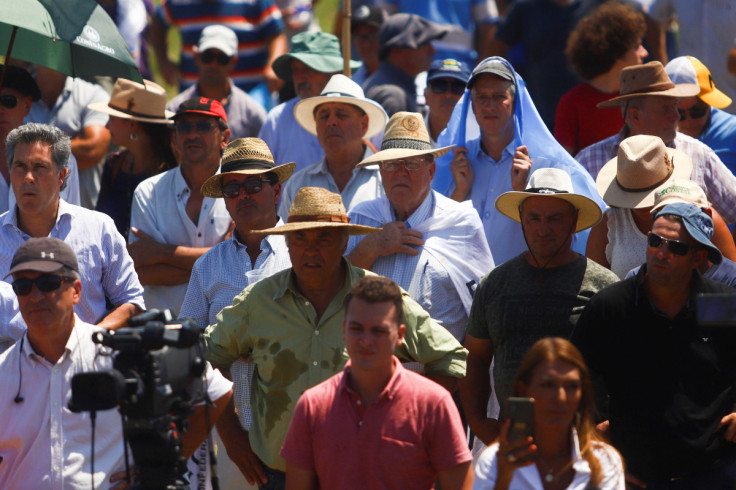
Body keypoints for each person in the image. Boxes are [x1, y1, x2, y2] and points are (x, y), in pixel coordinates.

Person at [204, 186, 467, 489]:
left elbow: (450, 357)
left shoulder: (376, 300)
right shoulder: (260, 301)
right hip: (277, 475)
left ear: (344, 242)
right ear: (287, 243)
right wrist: (230, 433)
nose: (311, 249)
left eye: (324, 237)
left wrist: (406, 419)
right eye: (300, 237)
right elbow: (208, 357)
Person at [0, 237, 233, 489]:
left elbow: (216, 390)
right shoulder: (3, 371)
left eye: (48, 283)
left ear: (76, 290)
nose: (35, 296)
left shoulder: (119, 352)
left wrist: (155, 469)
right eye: (23, 286)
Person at [573, 202, 736, 488]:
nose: (662, 253)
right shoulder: (613, 306)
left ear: (698, 258)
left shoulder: (716, 305)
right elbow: (573, 376)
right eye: (655, 240)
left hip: (713, 473)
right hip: (631, 475)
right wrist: (591, 434)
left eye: (677, 248)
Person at [460, 167, 619, 446]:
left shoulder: (603, 285)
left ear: (574, 222)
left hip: (584, 441)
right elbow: (474, 357)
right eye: (534, 218)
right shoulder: (495, 283)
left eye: (554, 219)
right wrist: (478, 422)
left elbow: (630, 361)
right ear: (522, 220)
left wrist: (612, 424)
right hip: (514, 439)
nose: (542, 229)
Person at [281, 275, 474, 489]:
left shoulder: (434, 404)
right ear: (344, 330)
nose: (366, 340)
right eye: (356, 328)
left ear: (400, 334)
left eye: (379, 331)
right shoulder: (312, 406)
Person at [181, 137, 294, 488]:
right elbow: (189, 354)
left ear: (276, 192)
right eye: (232, 189)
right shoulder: (207, 267)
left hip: (298, 430)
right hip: (230, 430)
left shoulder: (302, 255)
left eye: (253, 185)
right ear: (225, 202)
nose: (243, 195)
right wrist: (229, 435)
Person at [432, 57, 604, 265]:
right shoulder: (454, 162)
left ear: (515, 104)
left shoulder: (548, 165)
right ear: (472, 104)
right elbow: (434, 233)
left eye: (498, 97)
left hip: (526, 291)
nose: (489, 105)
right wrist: (459, 192)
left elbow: (579, 234)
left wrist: (526, 192)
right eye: (482, 97)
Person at [347, 111, 493, 345]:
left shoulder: (461, 222)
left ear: (431, 171)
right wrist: (372, 246)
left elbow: (484, 309)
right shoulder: (361, 219)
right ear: (381, 171)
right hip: (369, 372)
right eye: (392, 163)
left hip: (440, 376)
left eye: (412, 164)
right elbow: (334, 288)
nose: (401, 172)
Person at [0, 123, 143, 332]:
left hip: (88, 361)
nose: (28, 177)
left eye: (39, 167)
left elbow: (132, 302)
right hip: (10, 361)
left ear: (61, 176)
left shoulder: (98, 228)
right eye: (20, 167)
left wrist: (92, 339)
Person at [575, 61, 736, 224]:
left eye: (675, 106)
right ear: (635, 116)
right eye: (666, 109)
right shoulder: (588, 162)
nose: (676, 116)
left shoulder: (699, 155)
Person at [473, 337, 625, 490]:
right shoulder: (493, 462)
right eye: (548, 385)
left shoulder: (604, 461)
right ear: (524, 390)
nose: (561, 398)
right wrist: (503, 480)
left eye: (571, 386)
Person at [128, 97, 232, 316]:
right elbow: (142, 273)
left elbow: (239, 262)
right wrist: (217, 263)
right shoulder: (148, 192)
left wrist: (160, 252)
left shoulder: (239, 190)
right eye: (184, 127)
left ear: (225, 137)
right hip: (162, 332)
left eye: (204, 126)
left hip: (226, 331)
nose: (193, 134)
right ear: (174, 138)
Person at [586, 134, 736, 278]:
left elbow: (730, 280)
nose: (643, 207)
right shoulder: (609, 223)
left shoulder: (703, 219)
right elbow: (596, 286)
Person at [278, 74, 387, 217]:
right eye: (324, 116)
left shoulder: (385, 180)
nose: (331, 122)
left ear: (363, 124)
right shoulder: (298, 185)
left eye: (341, 115)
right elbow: (282, 238)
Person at [491, 0, 608, 129]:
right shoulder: (526, 7)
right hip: (541, 114)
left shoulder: (599, 4)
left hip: (591, 112)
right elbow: (497, 47)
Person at [258, 32, 361, 173]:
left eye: (308, 69)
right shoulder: (277, 120)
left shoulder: (364, 113)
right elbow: (261, 176)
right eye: (295, 70)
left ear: (334, 72)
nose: (300, 77)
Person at [555, 2, 648, 154]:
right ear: (619, 54)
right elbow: (564, 164)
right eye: (637, 46)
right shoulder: (571, 103)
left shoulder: (645, 97)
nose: (644, 53)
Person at [89, 78, 176, 238]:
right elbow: (97, 223)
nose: (107, 126)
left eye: (112, 118)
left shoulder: (173, 173)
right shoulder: (114, 164)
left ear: (133, 124)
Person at [149, 0, 287, 94]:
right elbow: (157, 25)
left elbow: (276, 33)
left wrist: (274, 66)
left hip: (250, 92)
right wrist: (163, 60)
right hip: (194, 96)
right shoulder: (177, 3)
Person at [624, 179, 736, 288]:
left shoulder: (731, 280)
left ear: (708, 215)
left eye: (686, 213)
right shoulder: (637, 279)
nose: (673, 220)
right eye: (665, 212)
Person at [26, 66, 111, 209]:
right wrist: (69, 146)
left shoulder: (94, 95)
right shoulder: (11, 94)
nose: (52, 44)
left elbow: (91, 150)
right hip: (19, 225)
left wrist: (26, 151)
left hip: (82, 221)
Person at [166, 25, 268, 141]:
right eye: (208, 57)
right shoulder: (173, 111)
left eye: (222, 58)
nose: (214, 64)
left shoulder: (252, 115)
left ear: (233, 62)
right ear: (196, 57)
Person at [0, 64, 79, 213]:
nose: (0, 109)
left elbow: (72, 224)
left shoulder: (62, 159)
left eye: (8, 100)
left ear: (27, 105)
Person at [363, 13, 448, 117]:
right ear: (397, 50)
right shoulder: (393, 96)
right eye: (424, 44)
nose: (432, 50)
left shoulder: (394, 88)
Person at [665, 56, 736, 174]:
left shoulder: (733, 131)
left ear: (709, 103)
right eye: (679, 113)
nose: (689, 122)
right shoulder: (659, 137)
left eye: (697, 111)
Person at [424, 59, 471, 147]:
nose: (448, 94)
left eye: (458, 87)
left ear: (470, 97)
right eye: (439, 86)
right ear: (425, 95)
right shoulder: (406, 134)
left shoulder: (481, 139)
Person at [349, 5, 386, 86]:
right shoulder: (351, 82)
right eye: (359, 37)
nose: (366, 44)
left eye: (372, 35)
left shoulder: (402, 74)